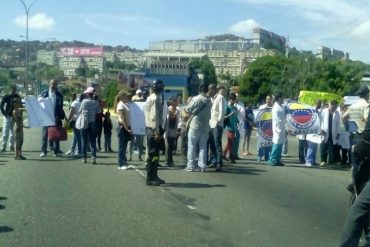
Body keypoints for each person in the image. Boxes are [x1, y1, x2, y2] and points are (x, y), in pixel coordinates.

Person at [339, 108, 370, 246]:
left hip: (360, 139)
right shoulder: (366, 106)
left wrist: (358, 148)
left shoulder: (354, 106)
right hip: (362, 139)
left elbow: (344, 118)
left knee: (358, 210)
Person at [184, 83, 212, 172]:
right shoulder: (209, 100)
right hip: (205, 126)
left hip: (195, 125)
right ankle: (202, 166)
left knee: (192, 145)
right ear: (207, 90)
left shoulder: (197, 98)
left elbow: (188, 109)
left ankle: (191, 165)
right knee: (203, 147)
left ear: (199, 90)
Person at [144, 79, 166, 185]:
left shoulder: (151, 98)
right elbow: (155, 116)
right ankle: (150, 177)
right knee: (153, 154)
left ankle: (154, 175)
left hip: (151, 128)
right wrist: (157, 131)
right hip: (154, 129)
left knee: (155, 154)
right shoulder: (155, 99)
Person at [40, 79, 65, 157]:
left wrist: (60, 116)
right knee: (45, 135)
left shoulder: (59, 95)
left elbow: (60, 106)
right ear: (49, 84)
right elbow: (40, 104)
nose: (53, 85)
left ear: (57, 85)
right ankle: (44, 151)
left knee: (56, 135)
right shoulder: (45, 93)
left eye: (55, 84)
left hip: (55, 117)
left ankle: (56, 151)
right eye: (51, 84)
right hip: (46, 117)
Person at [79, 87, 100, 164]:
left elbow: (80, 110)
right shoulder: (97, 102)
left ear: (88, 94)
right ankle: (93, 157)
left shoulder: (84, 101)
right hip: (93, 122)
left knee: (84, 141)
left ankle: (84, 158)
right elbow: (98, 112)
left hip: (85, 122)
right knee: (93, 141)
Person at [209, 85, 226, 171]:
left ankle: (219, 164)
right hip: (210, 124)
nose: (209, 91)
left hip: (217, 125)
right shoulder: (211, 99)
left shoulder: (220, 98)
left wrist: (217, 122)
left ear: (214, 89)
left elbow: (222, 111)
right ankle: (213, 161)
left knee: (217, 144)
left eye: (210, 90)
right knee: (211, 144)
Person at [0, 84, 21, 152]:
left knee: (13, 133)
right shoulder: (6, 96)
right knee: (5, 132)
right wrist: (4, 114)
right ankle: (3, 146)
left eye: (14, 89)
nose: (13, 90)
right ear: (10, 89)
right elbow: (1, 105)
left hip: (14, 117)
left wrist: (19, 115)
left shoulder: (17, 97)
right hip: (7, 116)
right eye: (12, 88)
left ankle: (11, 146)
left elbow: (20, 106)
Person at [320, 100, 340, 166]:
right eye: (332, 106)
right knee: (323, 147)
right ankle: (323, 161)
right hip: (325, 131)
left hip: (333, 132)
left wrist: (338, 133)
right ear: (329, 105)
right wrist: (321, 129)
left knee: (333, 147)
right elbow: (320, 121)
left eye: (335, 106)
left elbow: (338, 124)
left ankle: (333, 161)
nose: (334, 108)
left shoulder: (337, 113)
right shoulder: (323, 111)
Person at [114, 91, 132, 170]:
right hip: (122, 127)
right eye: (126, 96)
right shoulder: (121, 105)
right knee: (122, 146)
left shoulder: (125, 104)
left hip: (126, 127)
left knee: (124, 146)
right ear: (122, 97)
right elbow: (122, 117)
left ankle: (124, 161)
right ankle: (121, 164)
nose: (128, 97)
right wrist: (126, 128)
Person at [268, 93, 286, 166]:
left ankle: (277, 159)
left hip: (281, 128)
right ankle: (272, 159)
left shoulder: (280, 106)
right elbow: (277, 120)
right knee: (277, 144)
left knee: (280, 144)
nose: (283, 100)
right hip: (278, 128)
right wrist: (280, 128)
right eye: (282, 98)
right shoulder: (276, 108)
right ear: (279, 99)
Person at [305, 99, 322, 166]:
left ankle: (313, 161)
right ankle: (308, 161)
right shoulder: (311, 110)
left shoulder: (318, 111)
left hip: (317, 132)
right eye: (319, 104)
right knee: (311, 146)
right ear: (317, 103)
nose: (320, 105)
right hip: (312, 132)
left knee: (315, 147)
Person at [257, 95, 274, 162]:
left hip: (270, 127)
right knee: (261, 143)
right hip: (262, 127)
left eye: (269, 99)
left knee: (268, 143)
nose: (268, 100)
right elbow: (258, 116)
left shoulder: (273, 108)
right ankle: (259, 156)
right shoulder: (262, 107)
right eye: (267, 99)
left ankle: (266, 156)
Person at [223, 93, 238, 164]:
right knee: (231, 142)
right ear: (229, 100)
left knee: (230, 142)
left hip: (234, 127)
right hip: (229, 127)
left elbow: (236, 117)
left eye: (234, 99)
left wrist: (237, 122)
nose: (233, 101)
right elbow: (224, 117)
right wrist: (230, 115)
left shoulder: (235, 108)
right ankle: (232, 158)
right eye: (232, 99)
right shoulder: (228, 107)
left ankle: (223, 154)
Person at [165, 97, 180, 166]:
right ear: (172, 102)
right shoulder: (168, 109)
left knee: (171, 145)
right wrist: (174, 113)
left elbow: (177, 120)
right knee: (169, 145)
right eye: (176, 102)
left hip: (173, 130)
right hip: (168, 130)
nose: (177, 103)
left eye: (177, 102)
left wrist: (177, 130)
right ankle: (168, 161)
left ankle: (170, 160)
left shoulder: (177, 110)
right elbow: (171, 117)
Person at [233, 93, 245, 159]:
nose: (237, 97)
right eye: (236, 96)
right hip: (233, 124)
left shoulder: (241, 104)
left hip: (240, 123)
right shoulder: (232, 104)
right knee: (233, 140)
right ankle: (232, 154)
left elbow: (243, 113)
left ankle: (236, 154)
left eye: (238, 96)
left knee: (238, 139)